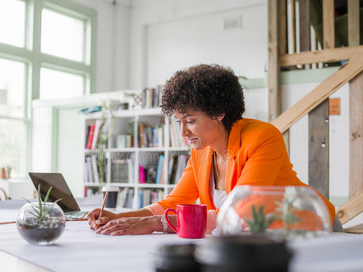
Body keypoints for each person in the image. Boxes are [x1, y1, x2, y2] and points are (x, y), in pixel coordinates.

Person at [88, 64, 342, 235]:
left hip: (311, 229)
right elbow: (175, 201)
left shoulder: (262, 137)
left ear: (219, 112)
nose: (183, 132)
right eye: (179, 122)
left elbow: (242, 210)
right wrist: (121, 218)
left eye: (190, 121)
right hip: (256, 238)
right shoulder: (201, 149)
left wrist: (157, 223)